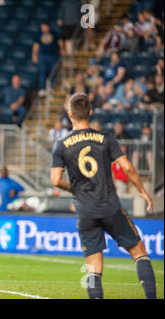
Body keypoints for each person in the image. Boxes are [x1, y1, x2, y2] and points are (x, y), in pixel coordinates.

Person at [51, 92, 156, 299]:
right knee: (139, 253)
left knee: (94, 268)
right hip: (110, 206)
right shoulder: (106, 138)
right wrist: (143, 191)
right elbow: (126, 166)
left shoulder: (61, 145)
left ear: (70, 114)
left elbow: (55, 181)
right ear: (90, 112)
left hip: (85, 211)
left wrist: (74, 188)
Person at [32, 22, 62, 97]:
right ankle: (42, 89)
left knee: (53, 72)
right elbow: (36, 45)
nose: (43, 29)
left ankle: (51, 87)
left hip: (53, 55)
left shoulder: (54, 33)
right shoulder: (39, 34)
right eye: (42, 27)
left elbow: (59, 41)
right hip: (43, 55)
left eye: (44, 27)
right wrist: (34, 55)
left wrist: (62, 49)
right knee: (42, 72)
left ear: (48, 26)